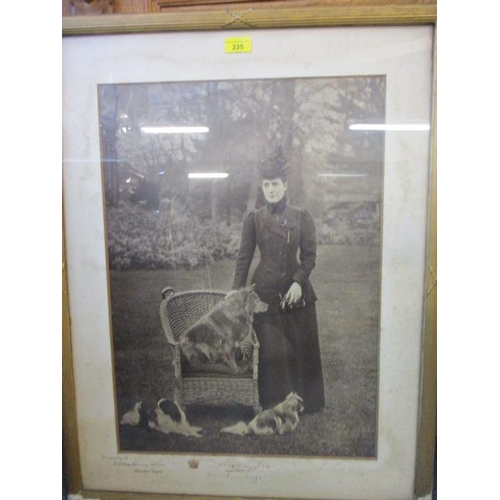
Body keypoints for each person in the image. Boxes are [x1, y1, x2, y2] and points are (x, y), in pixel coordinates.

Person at [232, 146, 325, 413]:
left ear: (285, 185)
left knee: (301, 348)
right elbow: (243, 259)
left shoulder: (301, 216)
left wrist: (298, 282)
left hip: (297, 293)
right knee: (272, 351)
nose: (270, 189)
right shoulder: (254, 219)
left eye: (275, 184)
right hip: (265, 294)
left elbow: (309, 256)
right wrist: (236, 297)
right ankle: (275, 401)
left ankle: (308, 402)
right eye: (266, 185)